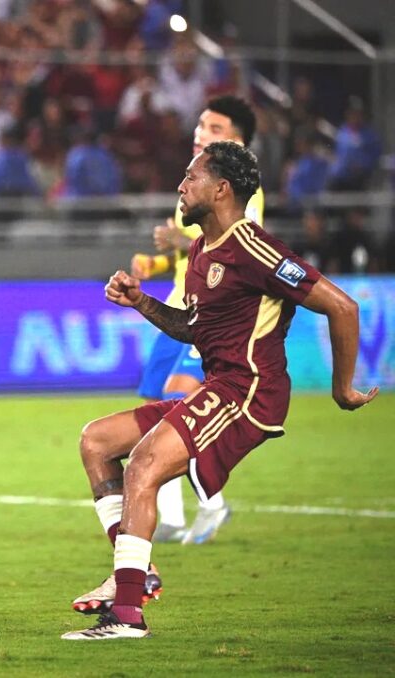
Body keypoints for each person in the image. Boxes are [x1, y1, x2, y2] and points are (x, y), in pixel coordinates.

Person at [62, 141, 377, 640]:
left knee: (143, 463)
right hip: (219, 387)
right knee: (96, 441)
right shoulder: (200, 251)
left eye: (191, 177)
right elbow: (193, 327)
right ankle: (135, 571)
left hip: (250, 391)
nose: (181, 187)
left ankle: (126, 614)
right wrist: (142, 302)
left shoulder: (254, 247)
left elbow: (342, 306)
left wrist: (342, 389)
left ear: (221, 189)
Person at [128, 95, 261, 551]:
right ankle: (169, 517)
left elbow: (239, 247)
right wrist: (155, 261)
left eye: (214, 128)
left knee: (178, 400)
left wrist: (179, 242)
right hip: (176, 304)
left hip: (212, 311)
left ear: (237, 142)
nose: (201, 131)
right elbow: (191, 252)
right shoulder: (194, 181)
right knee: (155, 406)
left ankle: (213, 501)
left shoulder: (241, 189)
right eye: (201, 123)